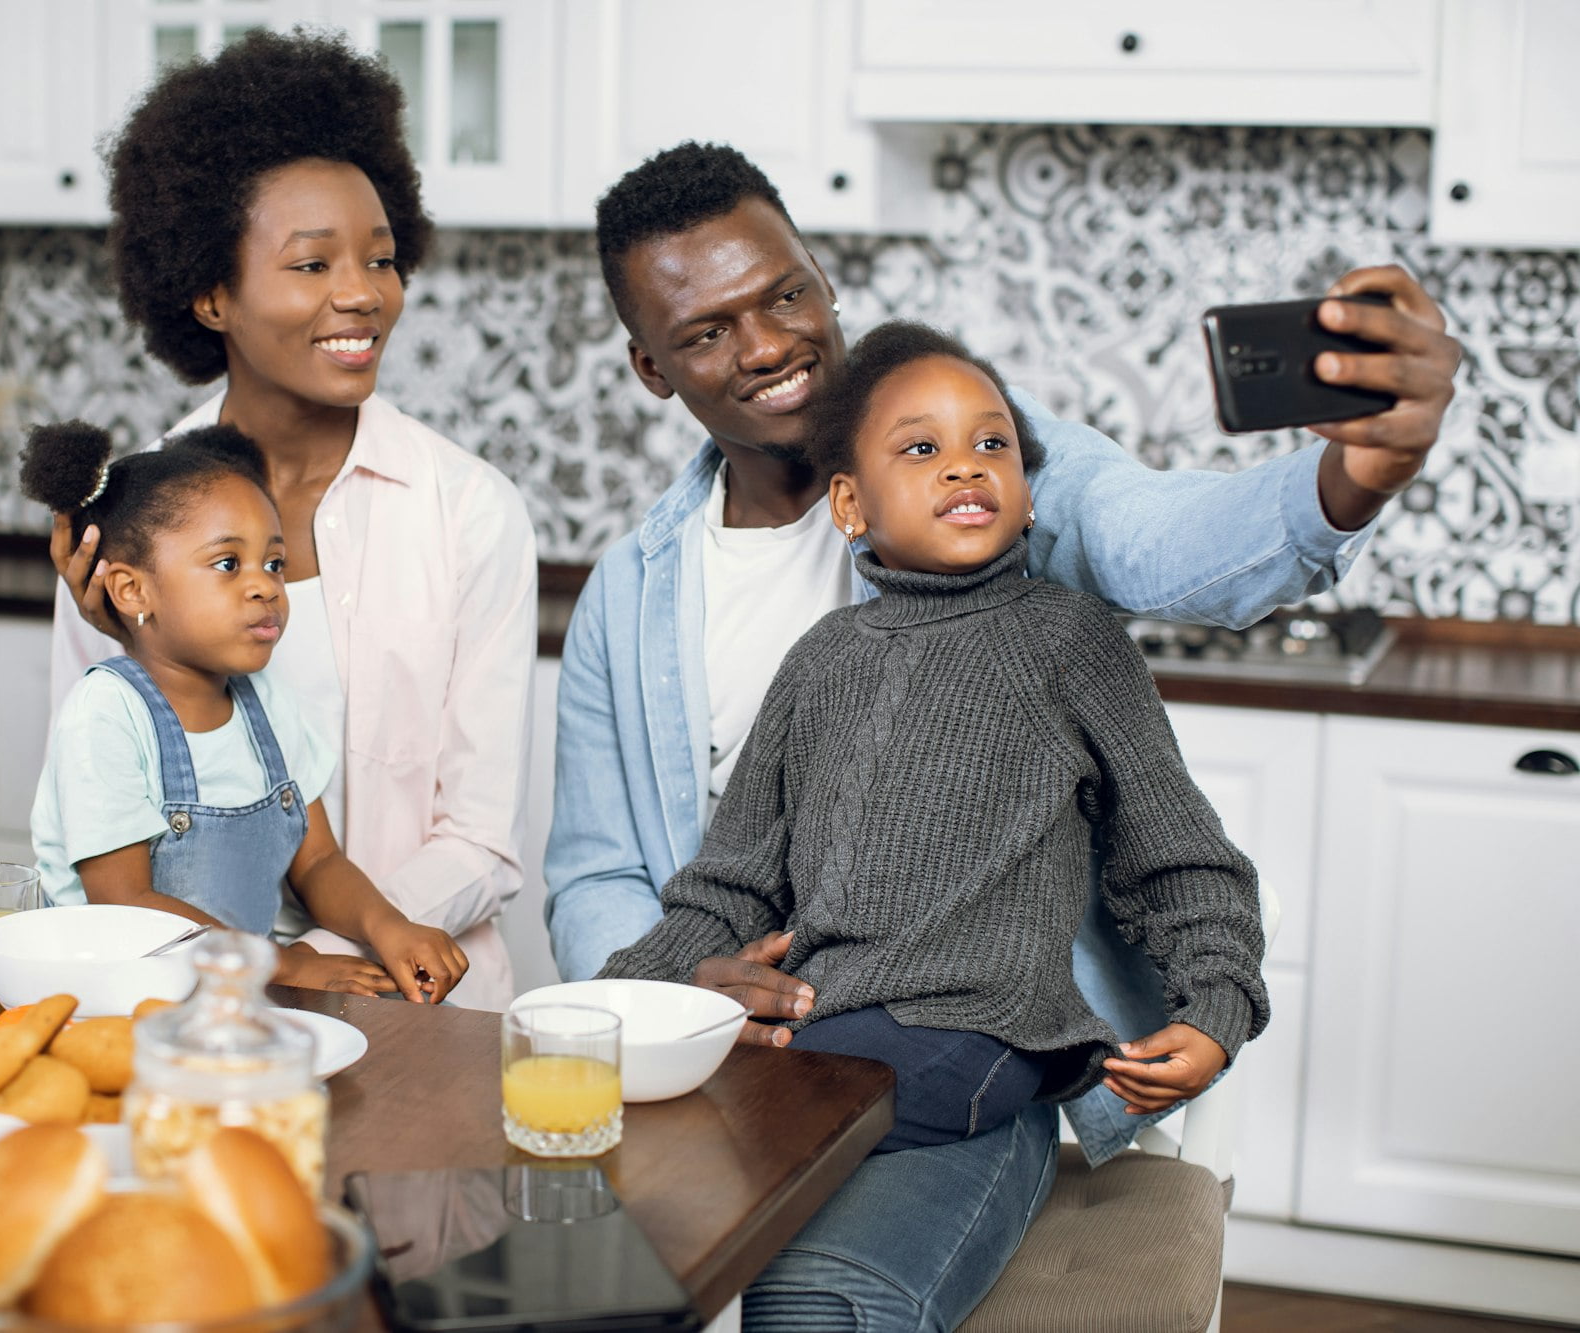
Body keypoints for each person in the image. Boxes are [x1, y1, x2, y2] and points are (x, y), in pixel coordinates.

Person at [544, 143, 1462, 1330]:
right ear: (651, 367)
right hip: (747, 1070)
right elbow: (607, 873)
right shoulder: (640, 595)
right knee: (561, 1283)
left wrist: (1351, 478)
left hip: (964, 1063)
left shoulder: (1017, 517)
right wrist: (675, 1010)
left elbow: (1160, 541)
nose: (766, 343)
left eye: (783, 293)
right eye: (708, 330)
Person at [600, 319, 1268, 1156]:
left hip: (983, 1031)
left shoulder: (1070, 641)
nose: (964, 464)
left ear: (1027, 494)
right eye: (920, 449)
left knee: (748, 1141)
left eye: (994, 444)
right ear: (850, 503)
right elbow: (729, 889)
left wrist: (1217, 1007)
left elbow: (1182, 859)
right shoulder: (821, 660)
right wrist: (610, 1010)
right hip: (825, 1030)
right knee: (680, 1140)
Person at [47, 30, 536, 1011]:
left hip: (421, 1015)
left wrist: (322, 954)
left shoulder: (468, 511)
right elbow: (102, 819)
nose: (362, 294)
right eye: (311, 264)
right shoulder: (124, 533)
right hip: (190, 1015)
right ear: (211, 293)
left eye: (381, 259)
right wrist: (263, 969)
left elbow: (478, 838)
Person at [22, 420, 468, 1004]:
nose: (265, 587)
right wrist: (283, 964)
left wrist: (389, 927)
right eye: (228, 564)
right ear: (133, 592)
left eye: (275, 564)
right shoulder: (105, 714)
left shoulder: (268, 706)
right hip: (117, 1011)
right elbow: (126, 905)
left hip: (238, 1001)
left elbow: (319, 862)